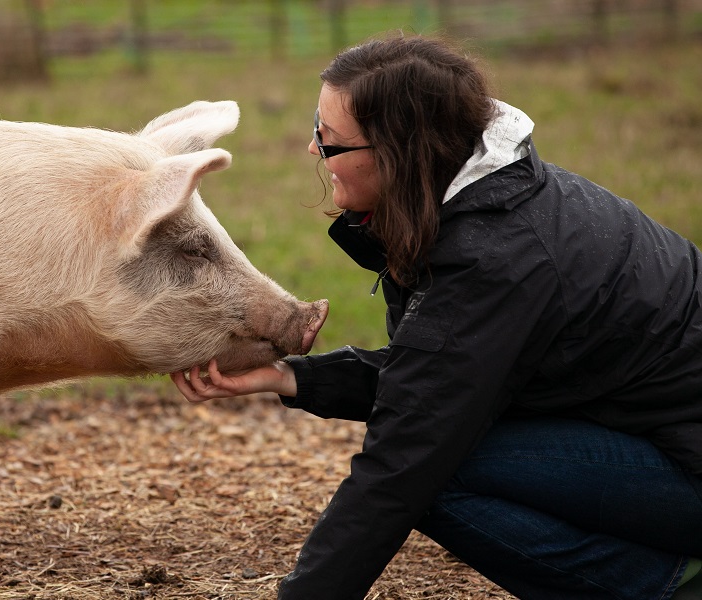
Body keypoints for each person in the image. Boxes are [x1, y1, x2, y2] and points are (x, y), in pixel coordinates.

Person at [170, 33, 702, 600]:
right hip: (657, 433)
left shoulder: (495, 257)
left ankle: (667, 586)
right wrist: (294, 377)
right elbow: (448, 373)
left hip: (686, 462)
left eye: (329, 141)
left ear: (398, 153)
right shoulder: (492, 198)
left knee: (437, 474)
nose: (312, 150)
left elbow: (409, 451)